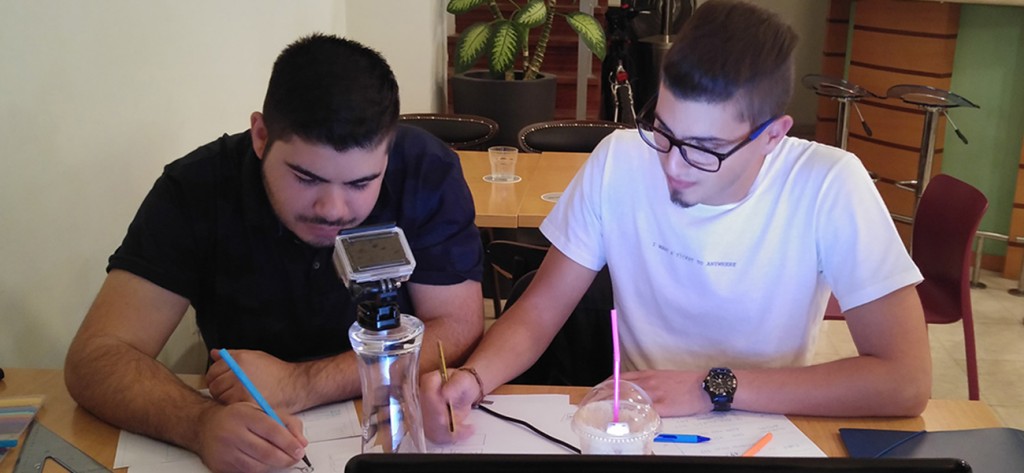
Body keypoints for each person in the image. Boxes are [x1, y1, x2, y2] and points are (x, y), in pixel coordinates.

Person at [421, 0, 931, 444]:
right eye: (663, 130)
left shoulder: (828, 183)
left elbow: (905, 381)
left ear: (773, 135)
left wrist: (712, 387)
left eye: (704, 149)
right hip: (642, 426)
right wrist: (474, 378)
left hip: (767, 428)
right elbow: (540, 312)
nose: (672, 164)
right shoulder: (620, 160)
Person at [65, 34, 484, 472]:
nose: (333, 209)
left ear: (388, 150)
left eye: (361, 183)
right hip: (247, 425)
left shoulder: (425, 169)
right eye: (306, 178)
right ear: (261, 136)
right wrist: (198, 423)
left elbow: (457, 323)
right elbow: (96, 357)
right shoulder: (196, 189)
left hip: (389, 428)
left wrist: (301, 383)